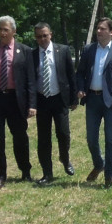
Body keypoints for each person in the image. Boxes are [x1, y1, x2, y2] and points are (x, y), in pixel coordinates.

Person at [0, 16, 36, 187]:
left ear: (14, 31)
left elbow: (31, 80)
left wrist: (32, 104)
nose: (2, 33)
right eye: (0, 29)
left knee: (20, 137)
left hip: (16, 100)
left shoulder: (25, 51)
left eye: (6, 30)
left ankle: (25, 170)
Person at [75, 17, 112, 188]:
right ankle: (99, 164)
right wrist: (80, 88)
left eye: (102, 28)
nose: (98, 31)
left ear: (111, 32)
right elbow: (80, 72)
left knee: (110, 139)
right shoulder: (89, 49)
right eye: (97, 28)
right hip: (92, 99)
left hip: (111, 101)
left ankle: (109, 175)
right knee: (91, 138)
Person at [32, 22, 78, 186]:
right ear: (36, 38)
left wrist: (74, 99)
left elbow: (71, 75)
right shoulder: (32, 55)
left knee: (63, 134)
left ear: (50, 34)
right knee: (44, 138)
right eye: (39, 36)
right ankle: (47, 173)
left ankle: (65, 159)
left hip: (59, 99)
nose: (42, 39)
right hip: (42, 100)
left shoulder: (63, 50)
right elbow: (30, 81)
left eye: (45, 35)